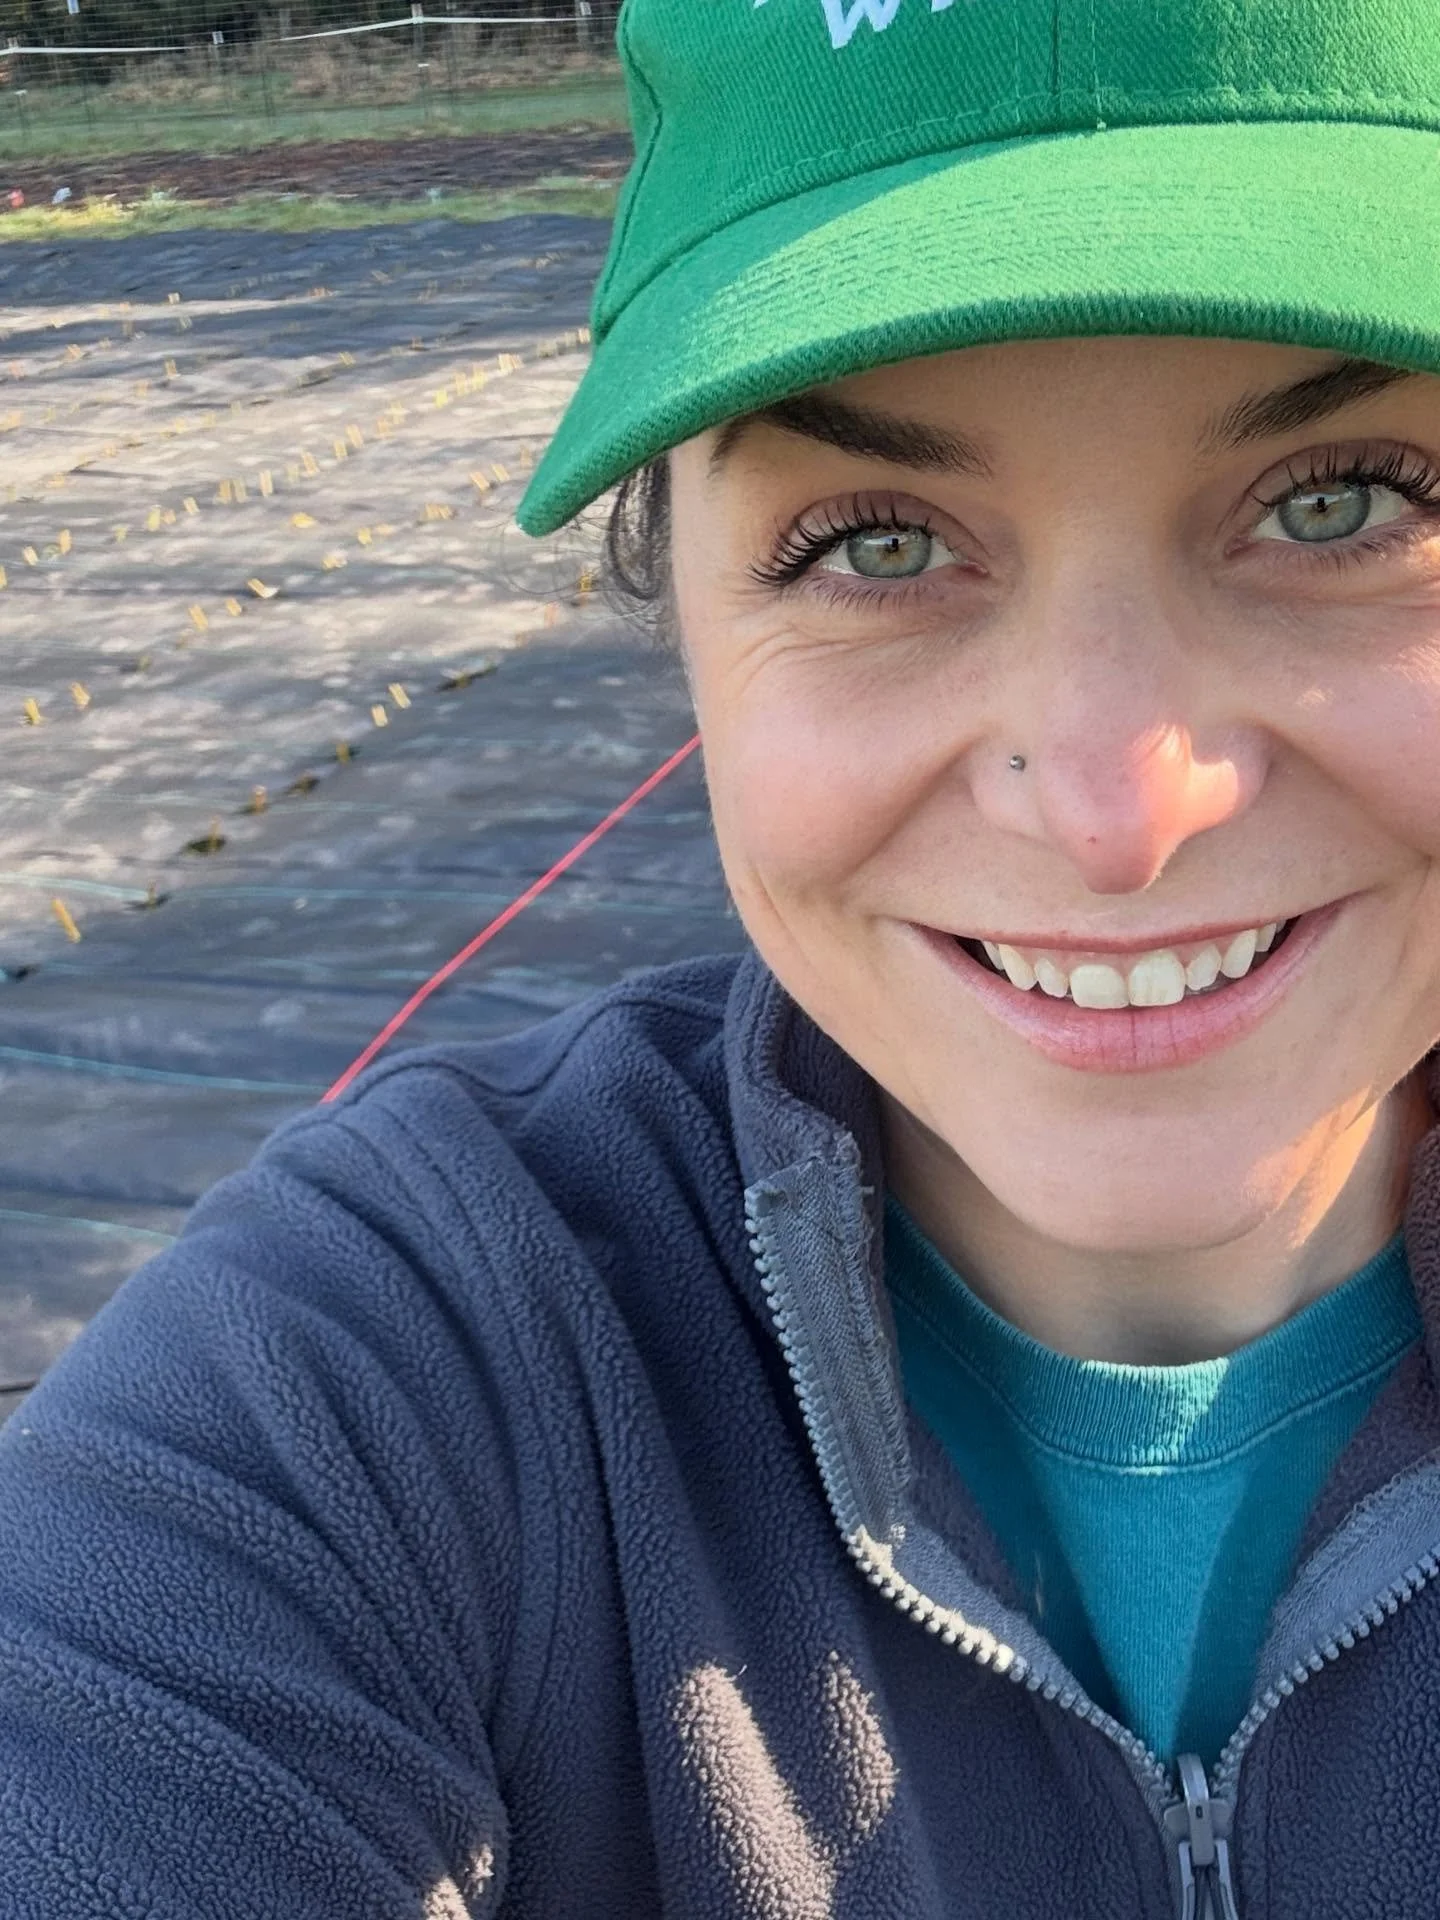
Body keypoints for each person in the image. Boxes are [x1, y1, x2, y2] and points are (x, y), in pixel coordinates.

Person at [4, 1, 1440, 1915]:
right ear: (670, 607)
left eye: (1345, 503)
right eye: (872, 547)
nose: (1118, 806)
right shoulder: (371, 1390)